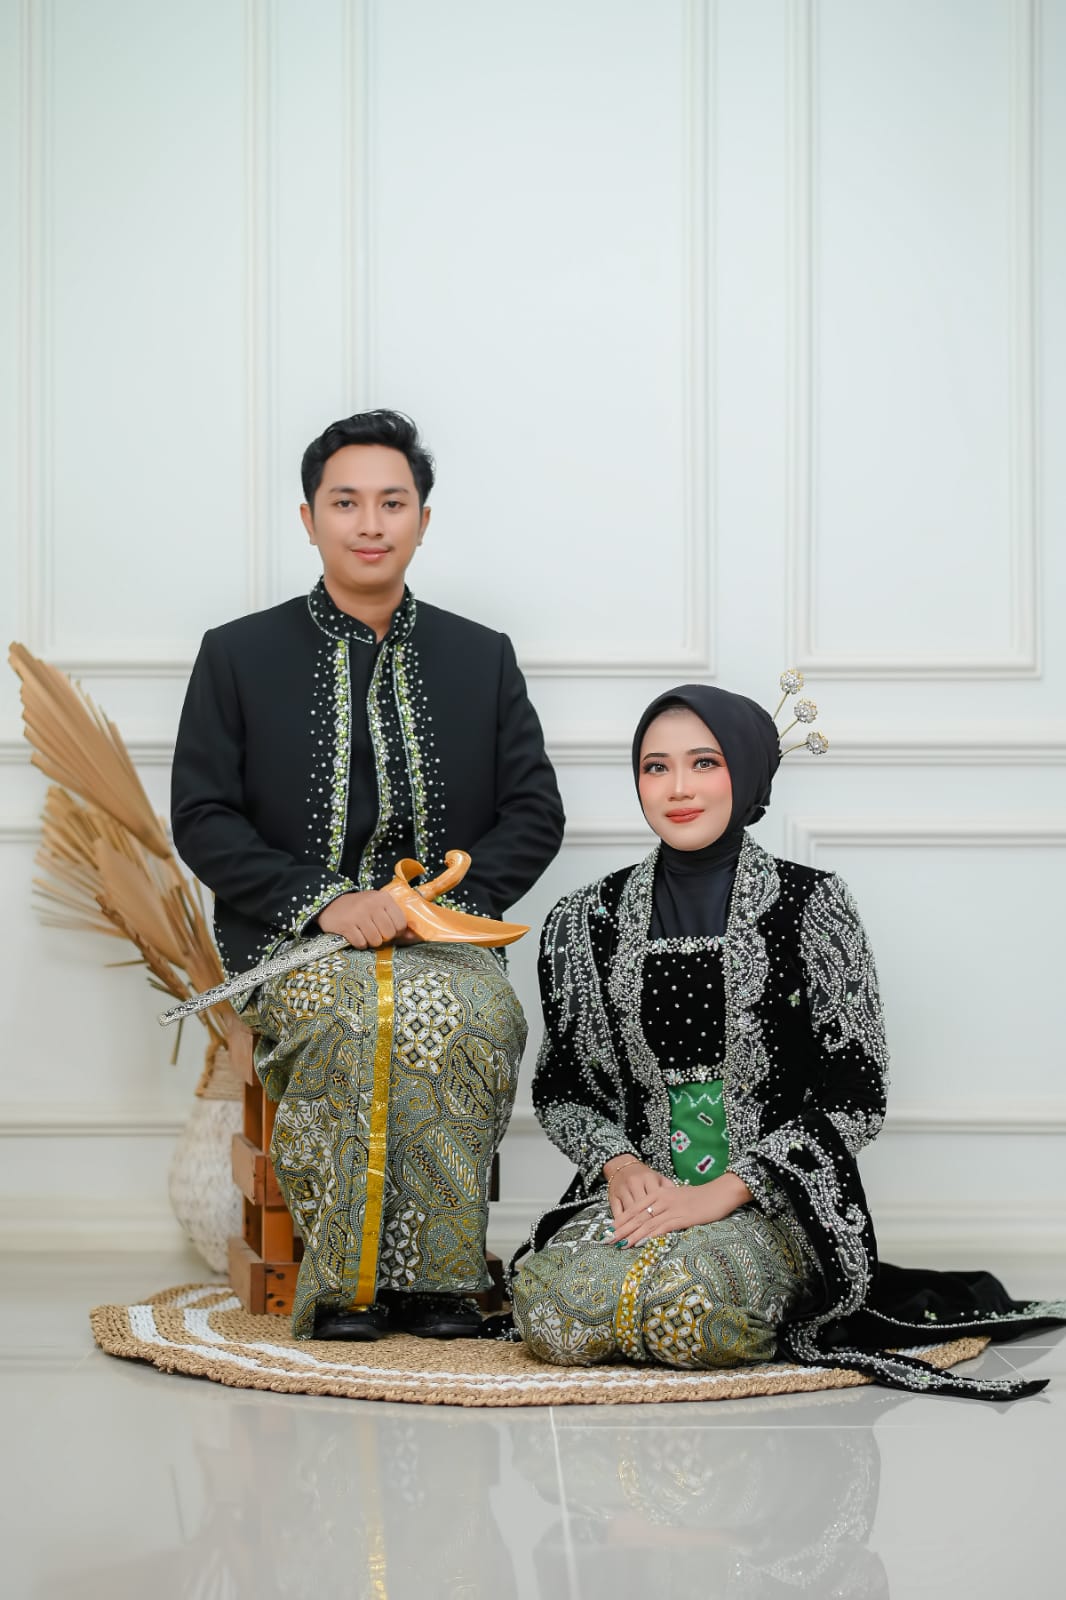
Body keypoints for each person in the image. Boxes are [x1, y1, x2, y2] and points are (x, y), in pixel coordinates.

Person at [510, 682, 1065, 1398]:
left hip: (775, 1200)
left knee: (692, 1310)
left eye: (704, 763)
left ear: (746, 772)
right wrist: (620, 1167)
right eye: (655, 767)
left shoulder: (813, 904)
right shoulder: (584, 918)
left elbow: (856, 1098)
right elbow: (562, 1091)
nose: (678, 788)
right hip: (642, 1198)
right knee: (547, 1306)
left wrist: (723, 1192)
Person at [172, 409, 565, 1341]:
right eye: (345, 503)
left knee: (476, 1015)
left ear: (424, 519)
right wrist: (327, 904)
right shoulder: (237, 653)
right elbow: (204, 817)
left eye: (393, 502)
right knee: (355, 1016)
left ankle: (442, 1282)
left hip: (444, 939)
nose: (370, 523)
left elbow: (534, 812)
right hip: (293, 941)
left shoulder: (481, 655)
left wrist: (436, 911)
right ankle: (348, 1288)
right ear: (309, 519)